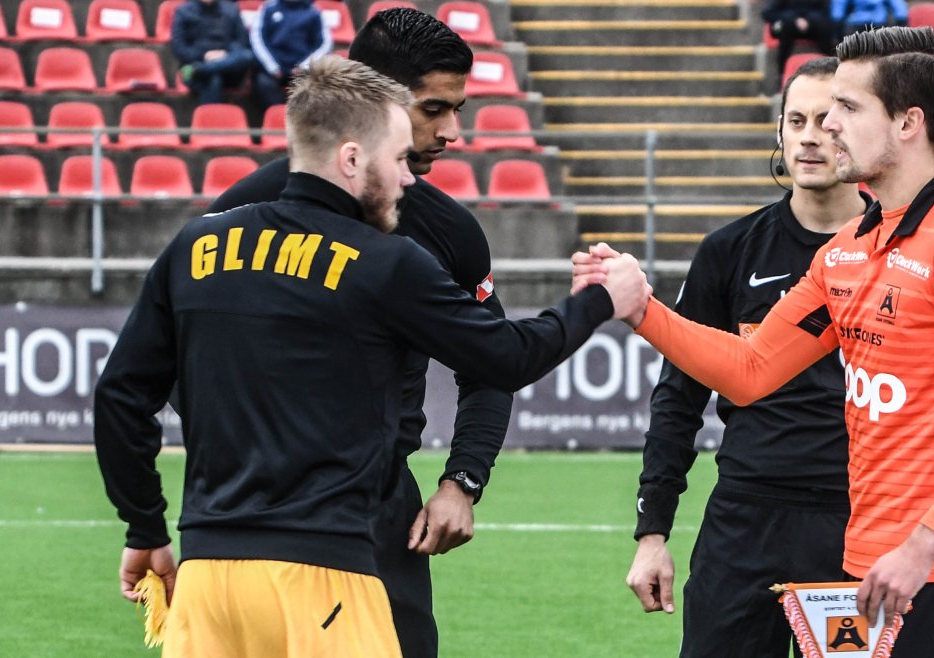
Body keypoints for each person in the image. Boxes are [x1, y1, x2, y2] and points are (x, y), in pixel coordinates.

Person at [94, 56, 650, 657]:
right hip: (327, 575)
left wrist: (144, 527)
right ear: (353, 159)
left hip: (209, 577)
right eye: (398, 159)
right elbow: (506, 357)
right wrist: (601, 300)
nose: (409, 179)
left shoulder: (195, 244)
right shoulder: (385, 262)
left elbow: (121, 395)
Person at [580, 26, 934, 657]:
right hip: (864, 563)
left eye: (847, 108)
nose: (829, 126)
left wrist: (921, 546)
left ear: (908, 123)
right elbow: (750, 370)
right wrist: (643, 311)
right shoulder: (846, 251)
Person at [209, 9, 512, 657]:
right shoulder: (237, 218)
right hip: (252, 511)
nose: (452, 132)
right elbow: (182, 362)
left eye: (457, 109)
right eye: (434, 109)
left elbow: (492, 364)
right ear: (374, 101)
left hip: (379, 512)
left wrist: (463, 481)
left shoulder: (449, 232)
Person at [625, 57, 870, 658]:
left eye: (827, 121)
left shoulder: (904, 252)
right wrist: (653, 532)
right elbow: (678, 397)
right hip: (743, 522)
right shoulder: (728, 251)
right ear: (779, 132)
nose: (810, 136)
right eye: (796, 121)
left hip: (856, 526)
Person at [169, 0, 255, 105]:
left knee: (247, 56)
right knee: (214, 78)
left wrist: (224, 54)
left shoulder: (231, 9)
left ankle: (201, 69)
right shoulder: (183, 12)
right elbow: (179, 48)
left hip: (228, 66)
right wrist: (204, 55)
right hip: (197, 66)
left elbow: (242, 42)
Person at [249, 0, 332, 107]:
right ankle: (278, 115)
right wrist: (273, 68)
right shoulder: (267, 8)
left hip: (304, 70)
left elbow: (324, 45)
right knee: (262, 82)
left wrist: (304, 67)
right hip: (274, 70)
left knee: (321, 84)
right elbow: (257, 40)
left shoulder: (314, 12)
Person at [761, 0, 836, 73]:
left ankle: (831, 66)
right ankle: (782, 71)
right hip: (787, 25)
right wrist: (794, 20)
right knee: (786, 26)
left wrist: (808, 20)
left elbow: (826, 11)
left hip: (813, 24)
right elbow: (767, 13)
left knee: (823, 25)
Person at [830, 0, 908, 39]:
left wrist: (838, 34)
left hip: (855, 25)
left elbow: (837, 15)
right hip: (880, 24)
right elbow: (901, 13)